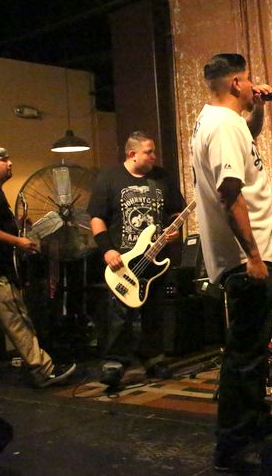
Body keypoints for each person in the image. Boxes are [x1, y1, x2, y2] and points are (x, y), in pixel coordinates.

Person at [191, 53, 272, 472]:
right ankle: (231, 446)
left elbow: (247, 140)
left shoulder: (218, 121)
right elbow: (229, 193)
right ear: (235, 83)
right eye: (248, 80)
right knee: (244, 355)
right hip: (246, 259)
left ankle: (256, 419)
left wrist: (259, 107)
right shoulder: (223, 125)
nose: (253, 85)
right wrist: (252, 256)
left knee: (252, 348)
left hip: (245, 257)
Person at [0, 145, 76, 391]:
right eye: (4, 159)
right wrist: (18, 241)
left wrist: (15, 224)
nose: (9, 163)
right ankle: (43, 370)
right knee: (17, 319)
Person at [88, 131, 185, 387]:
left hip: (156, 260)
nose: (154, 156)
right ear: (132, 154)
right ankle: (114, 362)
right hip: (123, 261)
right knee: (119, 314)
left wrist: (175, 229)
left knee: (154, 312)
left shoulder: (162, 177)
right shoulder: (109, 178)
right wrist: (107, 250)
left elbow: (176, 212)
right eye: (148, 152)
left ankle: (153, 359)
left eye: (153, 151)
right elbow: (96, 218)